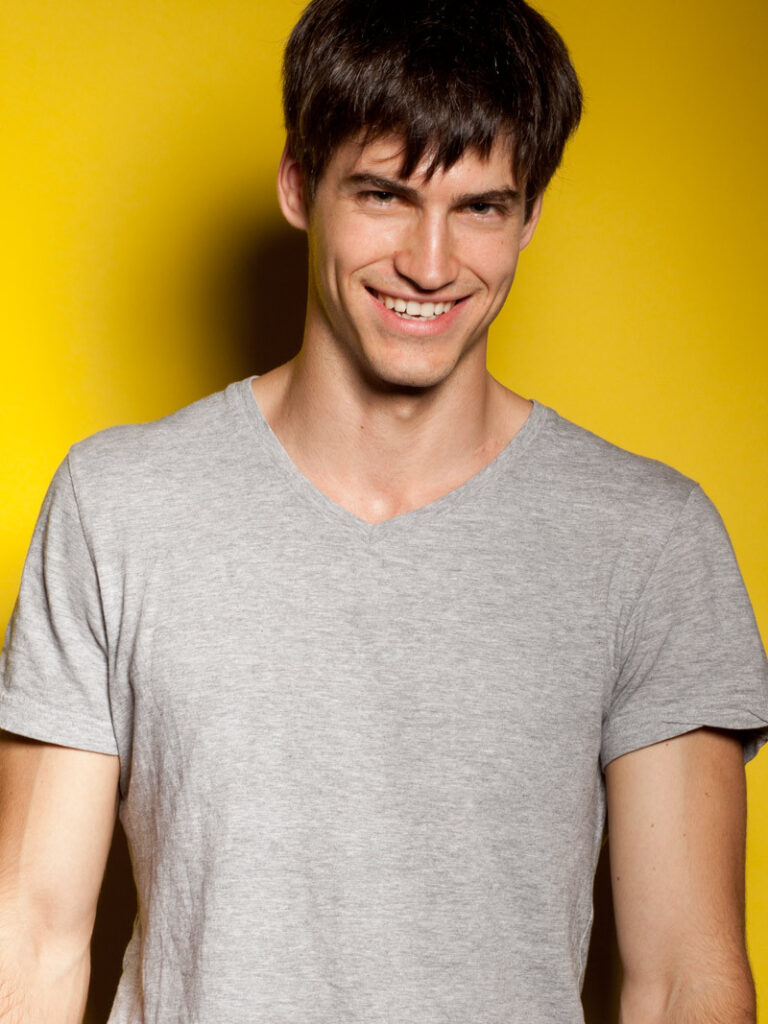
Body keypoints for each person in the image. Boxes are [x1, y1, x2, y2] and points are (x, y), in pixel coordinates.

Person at [1, 0, 767, 1021]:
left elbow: (682, 982)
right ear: (298, 184)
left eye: (481, 207)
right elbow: (33, 939)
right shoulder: (118, 508)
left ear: (531, 214)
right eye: (384, 195)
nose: (431, 263)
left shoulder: (649, 540)